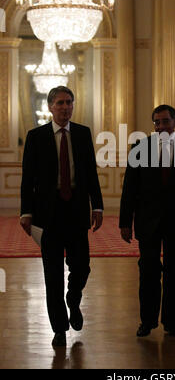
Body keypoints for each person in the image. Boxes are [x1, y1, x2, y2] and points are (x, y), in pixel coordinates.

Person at [20, 86, 104, 347]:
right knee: (52, 273)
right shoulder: (36, 136)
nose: (65, 107)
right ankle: (58, 327)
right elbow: (28, 178)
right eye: (60, 103)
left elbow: (90, 172)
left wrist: (97, 206)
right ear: (50, 107)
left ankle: (74, 299)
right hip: (48, 212)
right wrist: (26, 211)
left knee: (81, 267)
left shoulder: (82, 133)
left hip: (77, 209)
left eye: (69, 102)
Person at [119, 105, 175, 337]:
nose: (161, 127)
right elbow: (129, 188)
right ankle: (147, 321)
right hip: (148, 221)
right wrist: (124, 222)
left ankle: (171, 320)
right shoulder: (139, 148)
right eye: (157, 123)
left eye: (165, 122)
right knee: (148, 271)